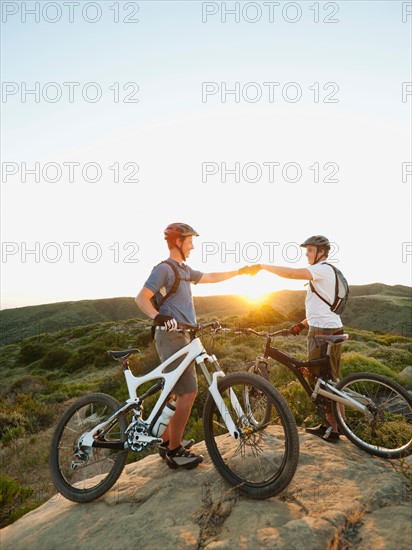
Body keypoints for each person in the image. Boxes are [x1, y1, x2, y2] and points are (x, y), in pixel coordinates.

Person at [135, 223, 252, 468]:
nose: (192, 246)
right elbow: (141, 298)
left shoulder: (184, 270)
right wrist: (158, 316)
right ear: (178, 241)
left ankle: (167, 442)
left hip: (185, 335)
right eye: (189, 241)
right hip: (171, 335)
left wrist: (239, 272)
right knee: (188, 392)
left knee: (177, 391)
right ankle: (175, 451)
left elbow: (209, 277)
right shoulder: (164, 269)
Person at [250, 235, 345, 443]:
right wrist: (301, 325)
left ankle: (333, 428)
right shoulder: (330, 271)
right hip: (331, 327)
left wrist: (263, 267)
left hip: (322, 331)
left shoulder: (320, 269)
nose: (306, 254)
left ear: (321, 252)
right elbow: (322, 305)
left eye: (310, 250)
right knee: (331, 380)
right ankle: (339, 425)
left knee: (320, 380)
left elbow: (291, 273)